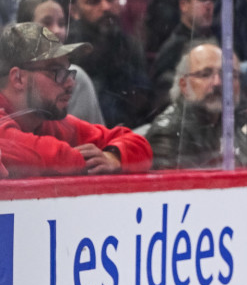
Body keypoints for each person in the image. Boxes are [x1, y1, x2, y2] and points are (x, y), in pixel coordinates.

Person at [0, 22, 151, 177]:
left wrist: (114, 156)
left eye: (67, 71)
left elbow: (138, 144)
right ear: (18, 78)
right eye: (56, 71)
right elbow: (47, 157)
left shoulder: (50, 123)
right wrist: (87, 161)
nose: (71, 82)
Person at [65, 0, 152, 128]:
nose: (105, 7)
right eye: (94, 1)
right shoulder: (67, 56)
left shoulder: (131, 46)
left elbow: (143, 103)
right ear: (74, 11)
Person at [145, 40, 247, 169]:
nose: (218, 82)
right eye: (205, 74)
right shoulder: (169, 133)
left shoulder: (231, 123)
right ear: (184, 85)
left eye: (227, 74)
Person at [16, 0, 103, 124]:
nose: (57, 30)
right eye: (47, 22)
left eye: (62, 23)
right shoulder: (8, 78)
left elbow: (92, 137)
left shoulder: (77, 77)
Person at [149, 0, 216, 113]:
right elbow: (164, 100)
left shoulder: (217, 40)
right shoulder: (174, 48)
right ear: (184, 5)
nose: (209, 4)